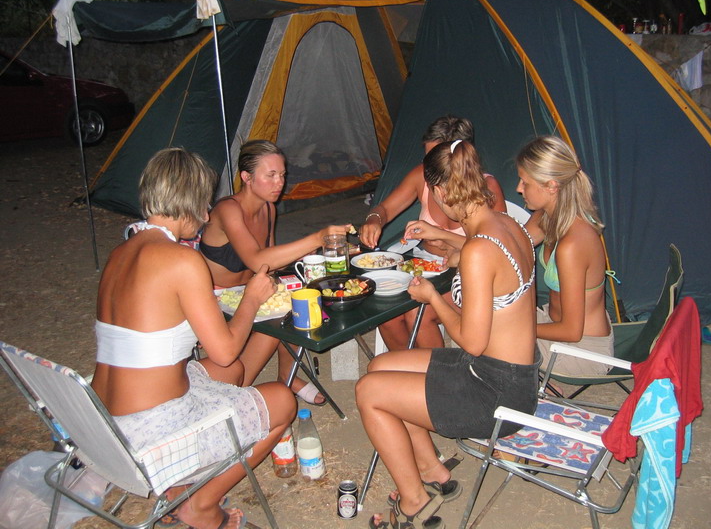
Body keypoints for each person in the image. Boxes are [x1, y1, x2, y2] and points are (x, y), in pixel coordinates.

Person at [91, 148, 296, 529]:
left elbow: (221, 361)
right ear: (187, 202)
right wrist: (252, 299)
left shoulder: (121, 252)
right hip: (150, 430)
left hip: (103, 421)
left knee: (230, 372)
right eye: (203, 204)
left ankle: (181, 485)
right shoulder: (182, 260)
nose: (205, 216)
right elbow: (226, 349)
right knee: (282, 400)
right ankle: (200, 505)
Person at [356, 140, 538, 529]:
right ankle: (432, 470)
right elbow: (480, 252)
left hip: (494, 392)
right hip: (509, 375)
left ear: (439, 191)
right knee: (380, 366)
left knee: (368, 392)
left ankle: (413, 502)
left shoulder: (479, 251)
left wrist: (432, 298)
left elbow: (471, 341)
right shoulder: (508, 225)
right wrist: (453, 246)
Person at [200, 139, 351, 401]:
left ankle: (287, 376)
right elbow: (256, 260)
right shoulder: (228, 209)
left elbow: (271, 263)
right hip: (215, 298)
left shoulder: (268, 209)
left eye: (282, 175)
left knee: (300, 299)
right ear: (246, 177)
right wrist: (316, 238)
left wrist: (318, 253)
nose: (279, 183)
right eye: (270, 175)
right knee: (281, 321)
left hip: (253, 289)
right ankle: (238, 391)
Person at [359, 116, 507, 350]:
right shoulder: (423, 176)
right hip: (426, 265)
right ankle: (405, 366)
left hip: (466, 272)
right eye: (426, 158)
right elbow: (384, 209)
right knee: (386, 314)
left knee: (418, 313)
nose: (427, 166)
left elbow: (498, 249)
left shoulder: (486, 189)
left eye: (433, 159)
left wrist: (445, 237)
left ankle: (435, 370)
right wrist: (374, 219)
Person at [516, 135, 614, 376]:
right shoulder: (546, 215)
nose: (518, 189)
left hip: (583, 350)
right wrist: (450, 240)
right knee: (486, 316)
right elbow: (511, 247)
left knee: (492, 337)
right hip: (552, 323)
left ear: (551, 186)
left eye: (525, 182)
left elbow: (571, 331)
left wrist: (518, 328)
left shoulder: (573, 244)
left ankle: (527, 389)